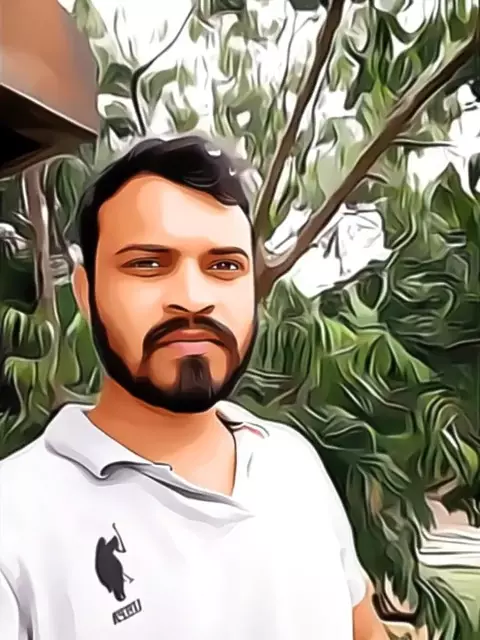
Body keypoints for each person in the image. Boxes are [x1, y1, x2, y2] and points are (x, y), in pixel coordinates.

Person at [0, 135, 388, 639]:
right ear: (85, 292)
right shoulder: (15, 518)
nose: (191, 298)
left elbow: (364, 628)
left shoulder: (292, 462)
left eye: (224, 266)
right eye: (147, 264)